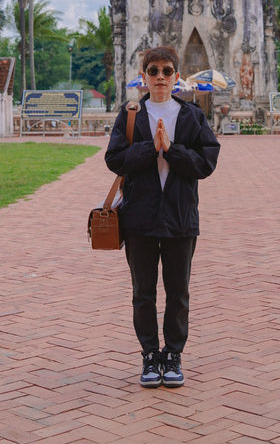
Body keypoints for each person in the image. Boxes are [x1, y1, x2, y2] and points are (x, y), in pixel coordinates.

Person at [105, 45, 220, 388]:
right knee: (143, 292)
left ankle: (172, 353)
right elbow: (115, 159)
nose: (160, 77)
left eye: (167, 71)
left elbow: (206, 163)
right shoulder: (131, 114)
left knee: (178, 290)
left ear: (176, 76)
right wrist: (150, 148)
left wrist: (171, 149)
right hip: (139, 217)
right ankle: (149, 355)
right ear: (143, 77)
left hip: (180, 216)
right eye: (153, 71)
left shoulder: (191, 116)